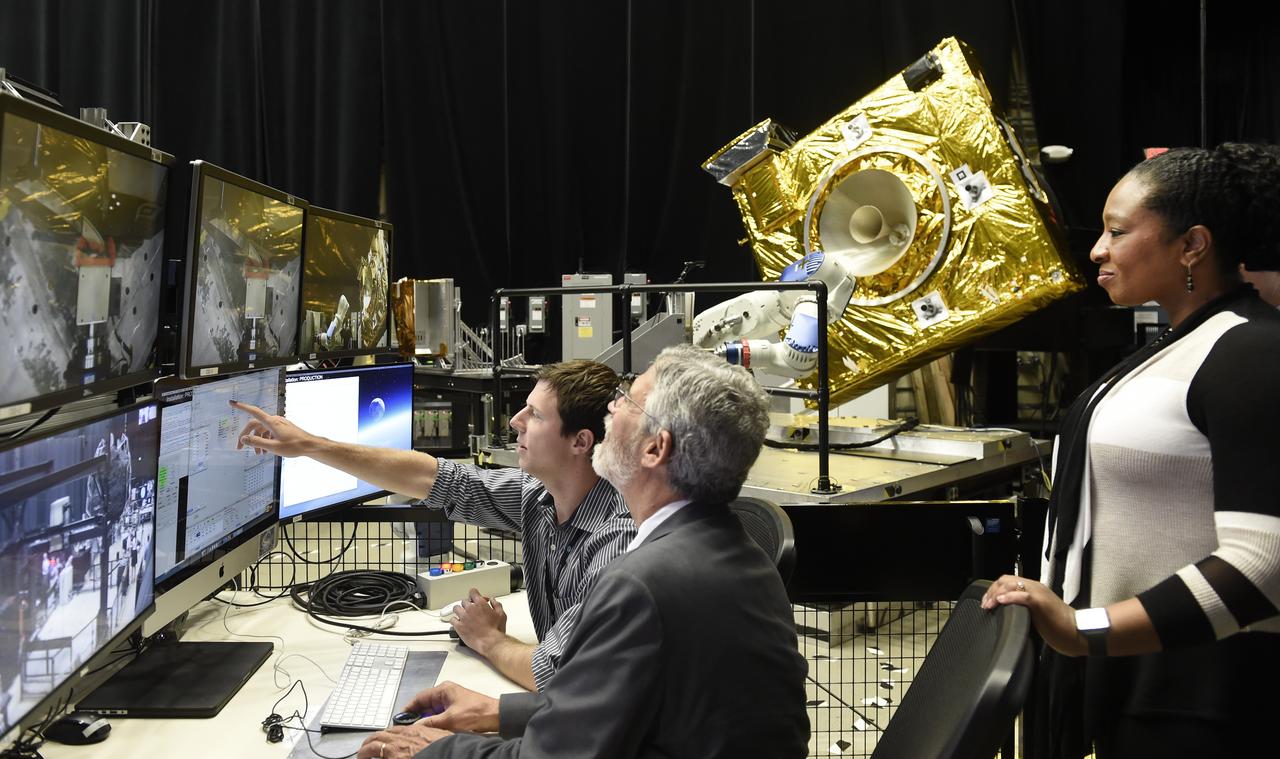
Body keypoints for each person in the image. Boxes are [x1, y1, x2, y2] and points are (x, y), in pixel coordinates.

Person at [356, 343, 809, 759]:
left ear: (655, 448)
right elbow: (626, 711)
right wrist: (504, 714)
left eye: (628, 401)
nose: (611, 408)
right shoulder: (736, 554)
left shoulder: (641, 584)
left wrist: (431, 751)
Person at [982, 143, 1280, 757]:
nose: (1098, 248)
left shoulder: (1251, 352)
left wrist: (1081, 628)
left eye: (1118, 231)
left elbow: (1266, 564)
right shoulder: (1182, 344)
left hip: (1202, 693)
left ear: (1192, 245)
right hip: (1138, 675)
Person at [234, 359, 635, 692]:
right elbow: (438, 480)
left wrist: (489, 639)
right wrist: (310, 445)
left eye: (536, 414)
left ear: (580, 442)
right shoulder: (540, 497)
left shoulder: (613, 542)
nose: (515, 421)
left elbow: (558, 674)